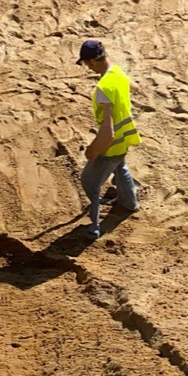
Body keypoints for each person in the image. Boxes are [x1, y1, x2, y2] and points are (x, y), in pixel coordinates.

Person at [76, 39, 140, 239]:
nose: (88, 68)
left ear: (92, 62)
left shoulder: (103, 88)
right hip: (125, 139)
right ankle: (129, 203)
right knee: (120, 167)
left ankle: (94, 228)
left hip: (111, 145)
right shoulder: (117, 72)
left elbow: (107, 131)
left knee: (90, 183)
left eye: (87, 64)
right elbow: (134, 87)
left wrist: (92, 150)